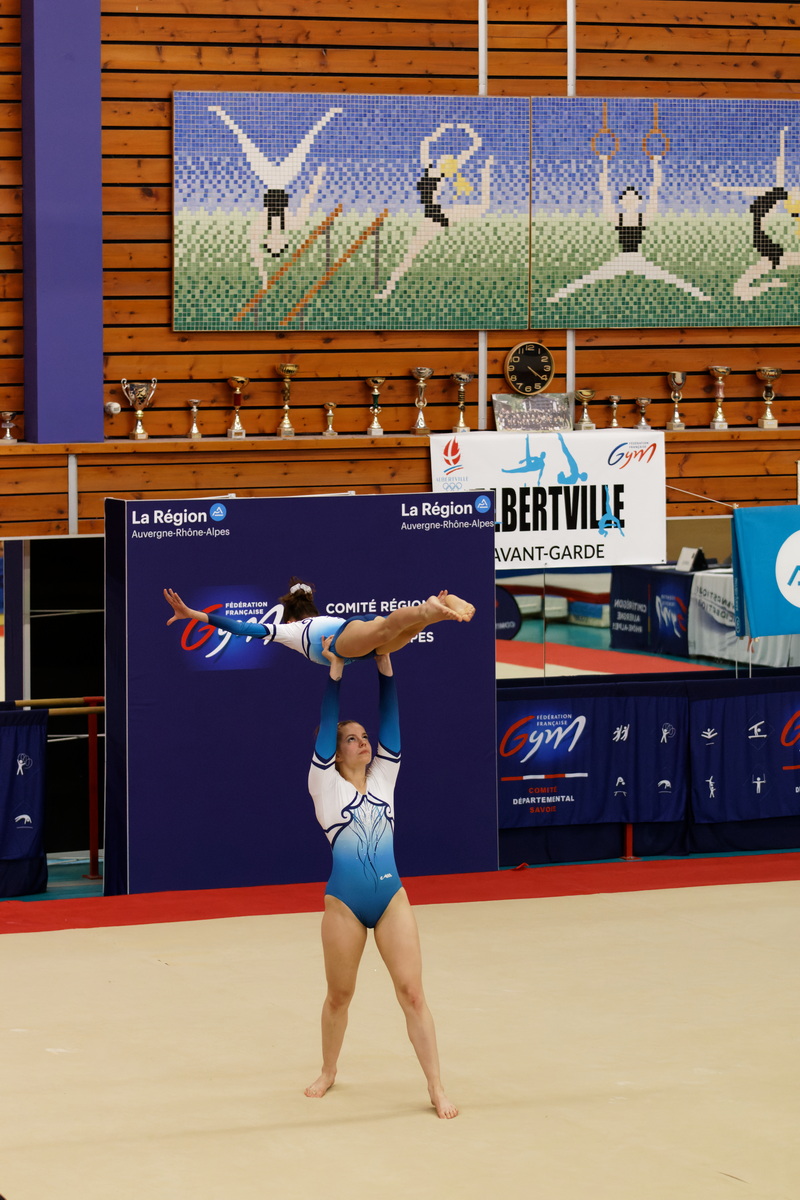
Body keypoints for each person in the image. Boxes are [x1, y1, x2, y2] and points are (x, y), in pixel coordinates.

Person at [304, 637, 458, 1118]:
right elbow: (328, 721)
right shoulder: (323, 783)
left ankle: (436, 1086)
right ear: (335, 751)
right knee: (339, 996)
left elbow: (391, 724)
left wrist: (385, 666)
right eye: (352, 738)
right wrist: (335, 673)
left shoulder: (384, 776)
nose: (364, 742)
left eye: (364, 736)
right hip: (344, 905)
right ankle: (329, 1070)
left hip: (391, 898)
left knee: (413, 993)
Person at [163, 578, 475, 666]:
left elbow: (243, 628)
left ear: (291, 615)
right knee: (402, 632)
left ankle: (427, 608)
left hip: (346, 643)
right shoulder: (326, 618)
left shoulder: (289, 630)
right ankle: (438, 609)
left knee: (390, 631)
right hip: (363, 643)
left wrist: (193, 614)